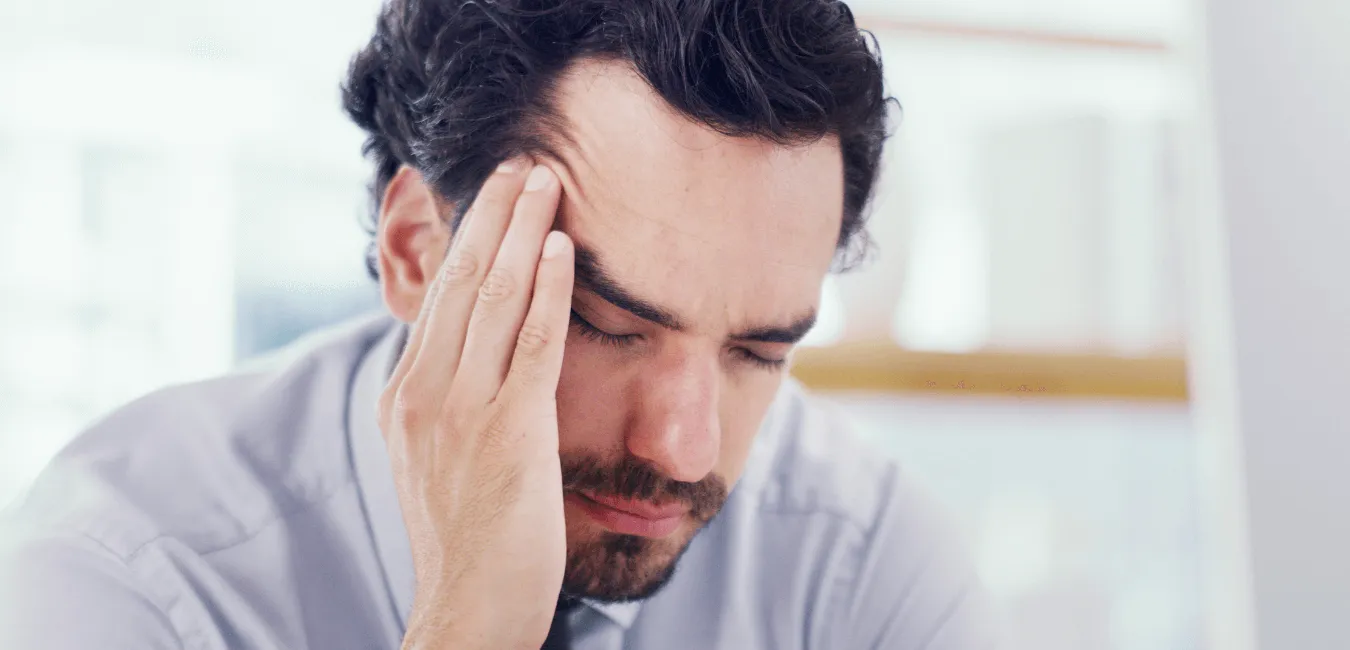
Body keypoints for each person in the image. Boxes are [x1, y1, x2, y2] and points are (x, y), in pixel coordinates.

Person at [0, 0, 997, 648]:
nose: (684, 444)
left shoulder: (855, 558)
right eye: (606, 323)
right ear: (415, 252)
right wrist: (471, 625)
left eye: (758, 351)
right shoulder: (130, 577)